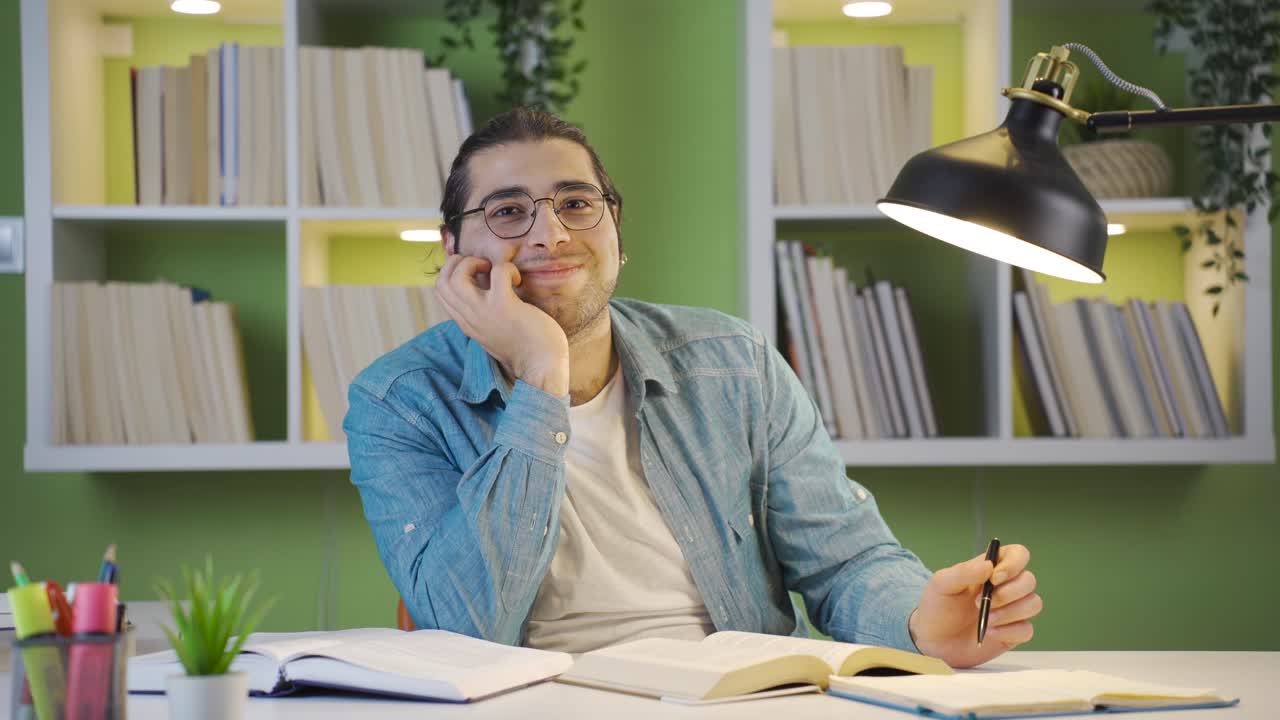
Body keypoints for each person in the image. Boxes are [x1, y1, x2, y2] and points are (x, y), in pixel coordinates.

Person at [345, 107, 1042, 667]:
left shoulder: (731, 361)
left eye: (576, 203)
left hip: (737, 696)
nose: (551, 234)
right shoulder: (396, 400)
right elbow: (465, 627)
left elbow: (846, 560)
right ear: (453, 249)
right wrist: (541, 375)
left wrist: (922, 622)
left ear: (616, 227)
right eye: (506, 211)